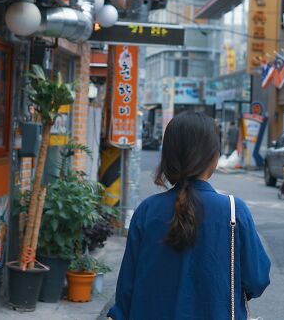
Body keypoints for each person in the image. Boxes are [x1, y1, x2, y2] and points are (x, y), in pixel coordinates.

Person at [108, 112, 271, 319]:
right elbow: (257, 280)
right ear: (212, 156)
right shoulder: (233, 211)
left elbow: (126, 291)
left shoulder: (146, 211)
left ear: (168, 157)